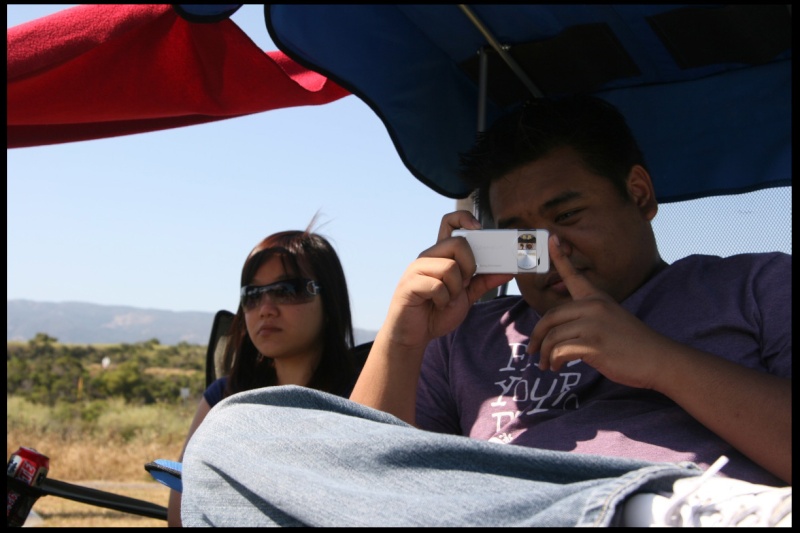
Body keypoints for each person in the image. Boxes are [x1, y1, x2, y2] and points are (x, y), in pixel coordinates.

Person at [179, 95, 791, 527]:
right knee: (230, 435)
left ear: (638, 194)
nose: (551, 250)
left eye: (568, 215)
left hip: (709, 499)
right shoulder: (468, 335)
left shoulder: (755, 287)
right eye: (520, 235)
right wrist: (404, 333)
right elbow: (353, 477)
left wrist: (660, 362)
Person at [167, 224, 359, 527]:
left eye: (287, 290)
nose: (266, 309)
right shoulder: (225, 397)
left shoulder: (363, 395)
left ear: (330, 302)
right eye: (253, 295)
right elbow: (180, 513)